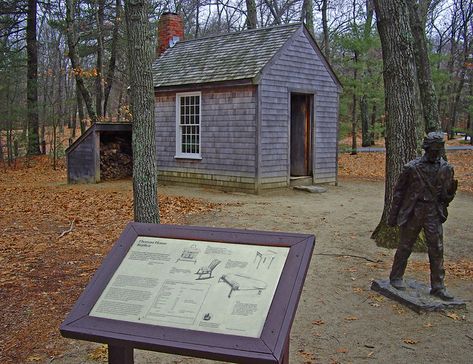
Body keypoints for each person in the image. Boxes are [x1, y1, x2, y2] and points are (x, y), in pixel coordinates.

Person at [387, 132, 458, 301]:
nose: (437, 153)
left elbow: (446, 197)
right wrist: (393, 217)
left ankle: (438, 286)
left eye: (439, 150)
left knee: (437, 248)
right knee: (405, 245)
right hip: (414, 211)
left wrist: (450, 194)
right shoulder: (412, 168)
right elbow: (398, 193)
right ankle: (396, 276)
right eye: (434, 149)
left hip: (433, 212)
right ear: (426, 148)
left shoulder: (446, 168)